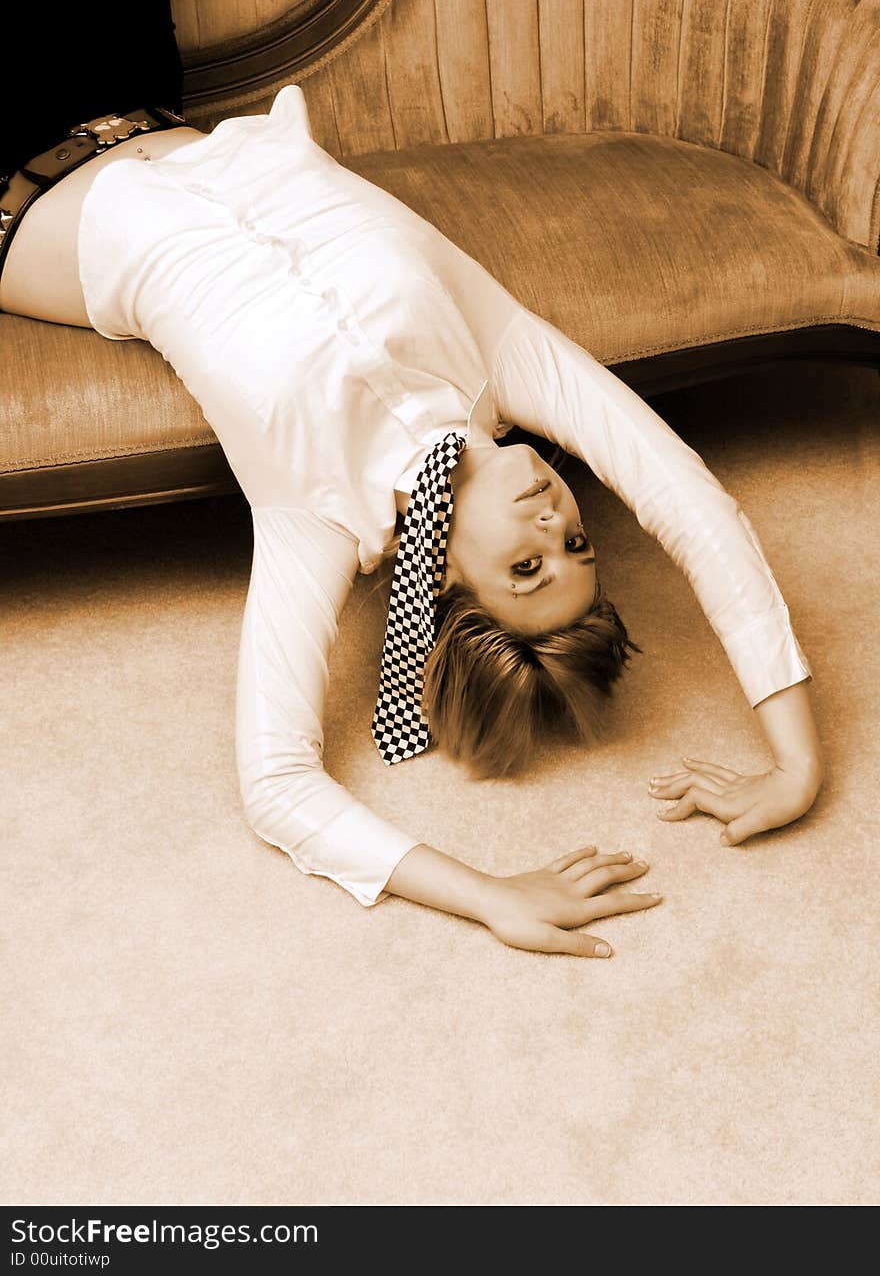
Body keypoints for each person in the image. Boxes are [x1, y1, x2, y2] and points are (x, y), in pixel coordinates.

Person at [0, 78, 824, 958]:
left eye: (526, 569)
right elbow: (690, 501)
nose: (554, 521)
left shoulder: (312, 510)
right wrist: (798, 764)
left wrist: (489, 895)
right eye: (578, 544)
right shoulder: (500, 350)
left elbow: (276, 783)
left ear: (445, 578)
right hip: (137, 103)